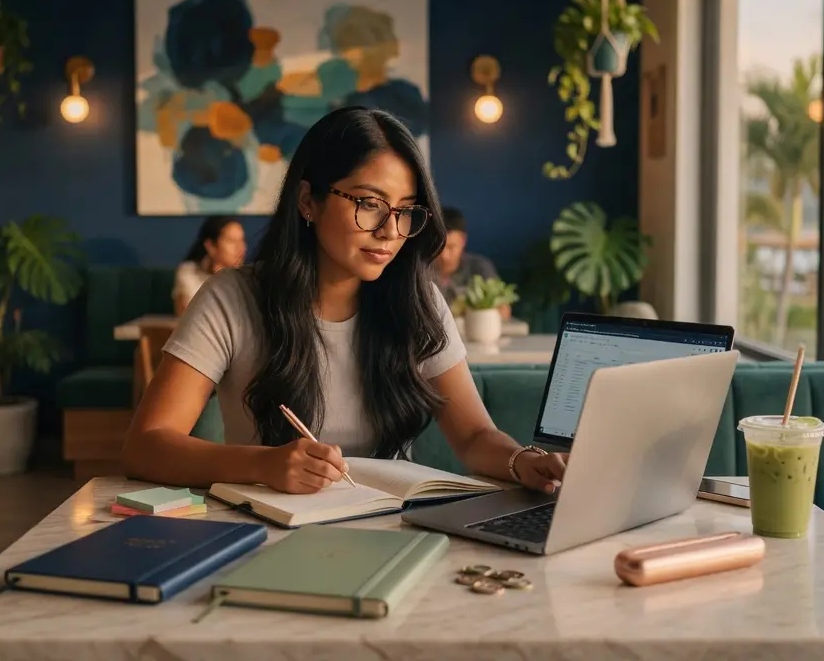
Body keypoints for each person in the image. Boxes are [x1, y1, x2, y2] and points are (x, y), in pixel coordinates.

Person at [123, 107, 567, 495]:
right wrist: (261, 465)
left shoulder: (417, 301)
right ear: (307, 201)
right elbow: (147, 445)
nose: (391, 231)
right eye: (370, 204)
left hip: (389, 527)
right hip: (270, 531)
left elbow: (473, 436)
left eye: (406, 210)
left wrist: (519, 461)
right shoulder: (233, 298)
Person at [435, 207, 510, 318]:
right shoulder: (421, 270)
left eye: (451, 247)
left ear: (463, 240)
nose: (444, 256)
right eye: (438, 247)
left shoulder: (479, 267)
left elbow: (504, 310)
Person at [173, 216, 246, 315]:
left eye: (242, 240)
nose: (240, 248)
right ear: (211, 246)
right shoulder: (188, 272)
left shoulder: (248, 277)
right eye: (231, 241)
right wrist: (219, 277)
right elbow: (189, 318)